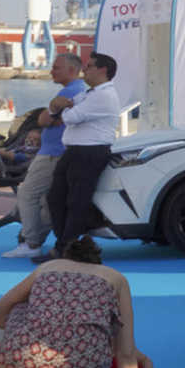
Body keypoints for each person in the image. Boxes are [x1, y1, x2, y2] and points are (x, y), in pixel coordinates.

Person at [0, 234, 149, 368]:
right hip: (83, 363)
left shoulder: (47, 268)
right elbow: (126, 352)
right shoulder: (116, 279)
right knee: (91, 333)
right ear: (98, 262)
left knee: (22, 311)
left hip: (21, 358)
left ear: (65, 258)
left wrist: (29, 332)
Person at [7, 52, 85, 259]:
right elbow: (45, 119)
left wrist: (49, 117)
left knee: (27, 193)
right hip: (55, 152)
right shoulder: (75, 91)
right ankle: (34, 239)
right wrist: (49, 116)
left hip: (52, 154)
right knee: (46, 200)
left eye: (56, 67)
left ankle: (31, 242)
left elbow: (42, 120)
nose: (51, 71)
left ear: (71, 70)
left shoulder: (72, 92)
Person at [51, 52, 126, 253]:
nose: (85, 69)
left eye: (90, 66)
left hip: (90, 152)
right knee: (56, 198)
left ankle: (67, 247)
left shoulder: (103, 95)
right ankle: (64, 243)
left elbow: (69, 117)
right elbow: (55, 109)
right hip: (75, 151)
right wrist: (59, 108)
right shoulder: (88, 93)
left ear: (103, 70)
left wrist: (63, 108)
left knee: (77, 201)